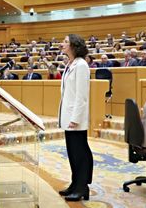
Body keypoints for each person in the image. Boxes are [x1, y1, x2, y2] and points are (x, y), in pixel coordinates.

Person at [58, 34, 93, 202]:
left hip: (75, 119)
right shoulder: (69, 64)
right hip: (68, 117)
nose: (62, 44)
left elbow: (82, 96)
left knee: (80, 153)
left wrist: (76, 118)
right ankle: (75, 184)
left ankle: (81, 187)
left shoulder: (81, 65)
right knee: (72, 153)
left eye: (65, 42)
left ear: (74, 45)